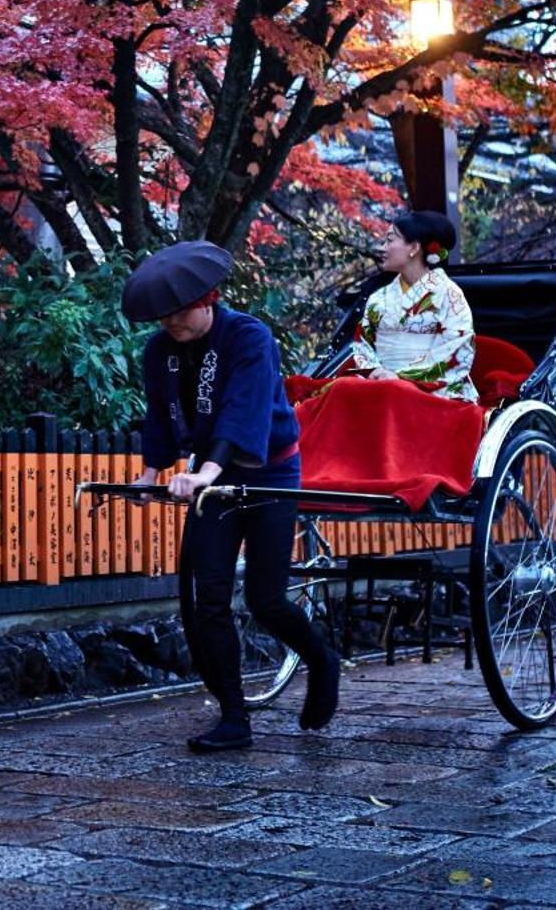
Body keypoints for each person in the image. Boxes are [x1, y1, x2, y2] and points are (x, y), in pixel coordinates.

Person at [123, 240, 341, 753]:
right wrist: (151, 472)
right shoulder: (160, 350)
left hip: (269, 472)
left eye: (179, 313)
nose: (171, 323)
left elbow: (244, 412)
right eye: (162, 317)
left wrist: (208, 471)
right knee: (207, 598)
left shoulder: (249, 336)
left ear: (210, 297)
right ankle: (233, 716)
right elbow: (159, 416)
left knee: (266, 600)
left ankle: (321, 659)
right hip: (212, 479)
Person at [343, 210, 477, 401]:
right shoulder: (379, 297)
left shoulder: (449, 295)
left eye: (390, 240)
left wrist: (401, 378)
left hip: (431, 392)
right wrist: (375, 370)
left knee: (394, 397)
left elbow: (455, 351)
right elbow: (363, 343)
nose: (382, 248)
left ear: (414, 247)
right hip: (379, 383)